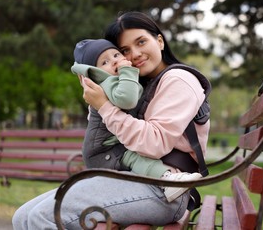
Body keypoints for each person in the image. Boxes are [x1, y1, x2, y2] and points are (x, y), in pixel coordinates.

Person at [12, 11, 210, 229]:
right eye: (124, 50)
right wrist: (100, 92)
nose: (135, 54)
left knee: (43, 217)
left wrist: (104, 107)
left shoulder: (178, 80)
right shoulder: (140, 85)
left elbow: (154, 143)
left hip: (166, 188)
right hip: (134, 179)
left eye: (141, 42)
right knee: (21, 216)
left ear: (160, 41)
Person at [71, 38, 202, 202]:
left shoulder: (114, 82)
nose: (114, 61)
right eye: (104, 62)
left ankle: (168, 180)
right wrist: (128, 71)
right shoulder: (107, 82)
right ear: (94, 72)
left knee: (135, 157)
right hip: (104, 151)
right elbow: (127, 100)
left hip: (109, 147)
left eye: (116, 54)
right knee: (135, 158)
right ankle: (167, 180)